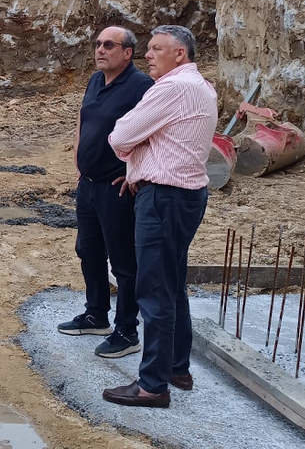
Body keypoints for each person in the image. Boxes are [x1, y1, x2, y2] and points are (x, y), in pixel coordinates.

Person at [102, 25, 217, 409]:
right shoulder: (199, 86)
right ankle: (175, 368)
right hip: (184, 196)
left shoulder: (172, 88)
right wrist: (145, 148)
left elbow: (119, 137)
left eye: (156, 49)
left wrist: (140, 145)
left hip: (164, 199)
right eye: (148, 48)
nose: (147, 55)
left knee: (153, 291)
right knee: (171, 284)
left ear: (179, 54)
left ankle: (152, 385)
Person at [57, 26, 154, 361]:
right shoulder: (96, 80)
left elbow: (153, 132)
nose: (100, 50)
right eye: (97, 44)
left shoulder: (142, 87)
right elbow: (84, 120)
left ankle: (126, 331)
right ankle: (96, 314)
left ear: (127, 53)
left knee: (124, 262)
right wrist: (78, 156)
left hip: (117, 187)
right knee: (88, 249)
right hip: (89, 183)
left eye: (108, 45)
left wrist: (134, 171)